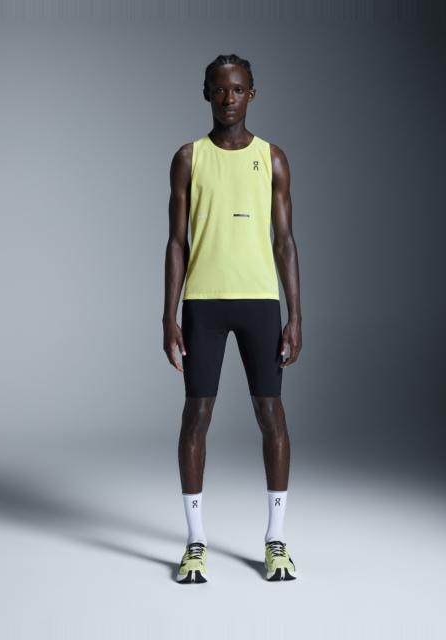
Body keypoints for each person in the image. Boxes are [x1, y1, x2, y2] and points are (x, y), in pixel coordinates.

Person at [162, 53, 302, 583]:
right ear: (206, 93)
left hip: (261, 302)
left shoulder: (273, 159)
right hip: (203, 303)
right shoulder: (188, 158)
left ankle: (276, 539)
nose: (228, 99)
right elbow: (177, 243)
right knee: (196, 417)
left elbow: (285, 242)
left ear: (252, 94)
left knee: (272, 416)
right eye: (219, 89)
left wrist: (295, 315)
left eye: (238, 89)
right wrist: (168, 314)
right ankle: (195, 542)